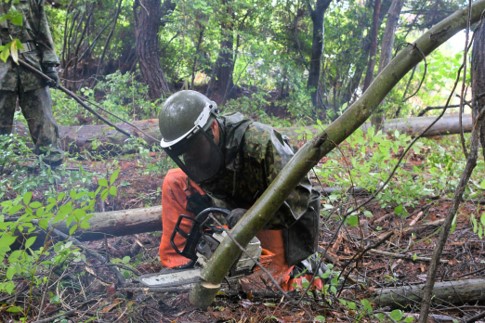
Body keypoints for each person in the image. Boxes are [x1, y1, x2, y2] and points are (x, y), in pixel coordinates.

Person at [158, 90, 324, 292]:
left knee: (270, 281)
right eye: (185, 152)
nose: (192, 157)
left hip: (274, 218)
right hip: (229, 210)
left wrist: (252, 218)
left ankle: (296, 271)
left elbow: (298, 195)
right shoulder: (200, 158)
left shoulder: (260, 142)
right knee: (175, 180)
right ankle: (178, 264)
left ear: (212, 128)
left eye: (195, 148)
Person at [0, 0, 63, 167]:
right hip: (2, 67)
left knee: (43, 119)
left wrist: (49, 66)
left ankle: (51, 163)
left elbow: (43, 32)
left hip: (31, 66)